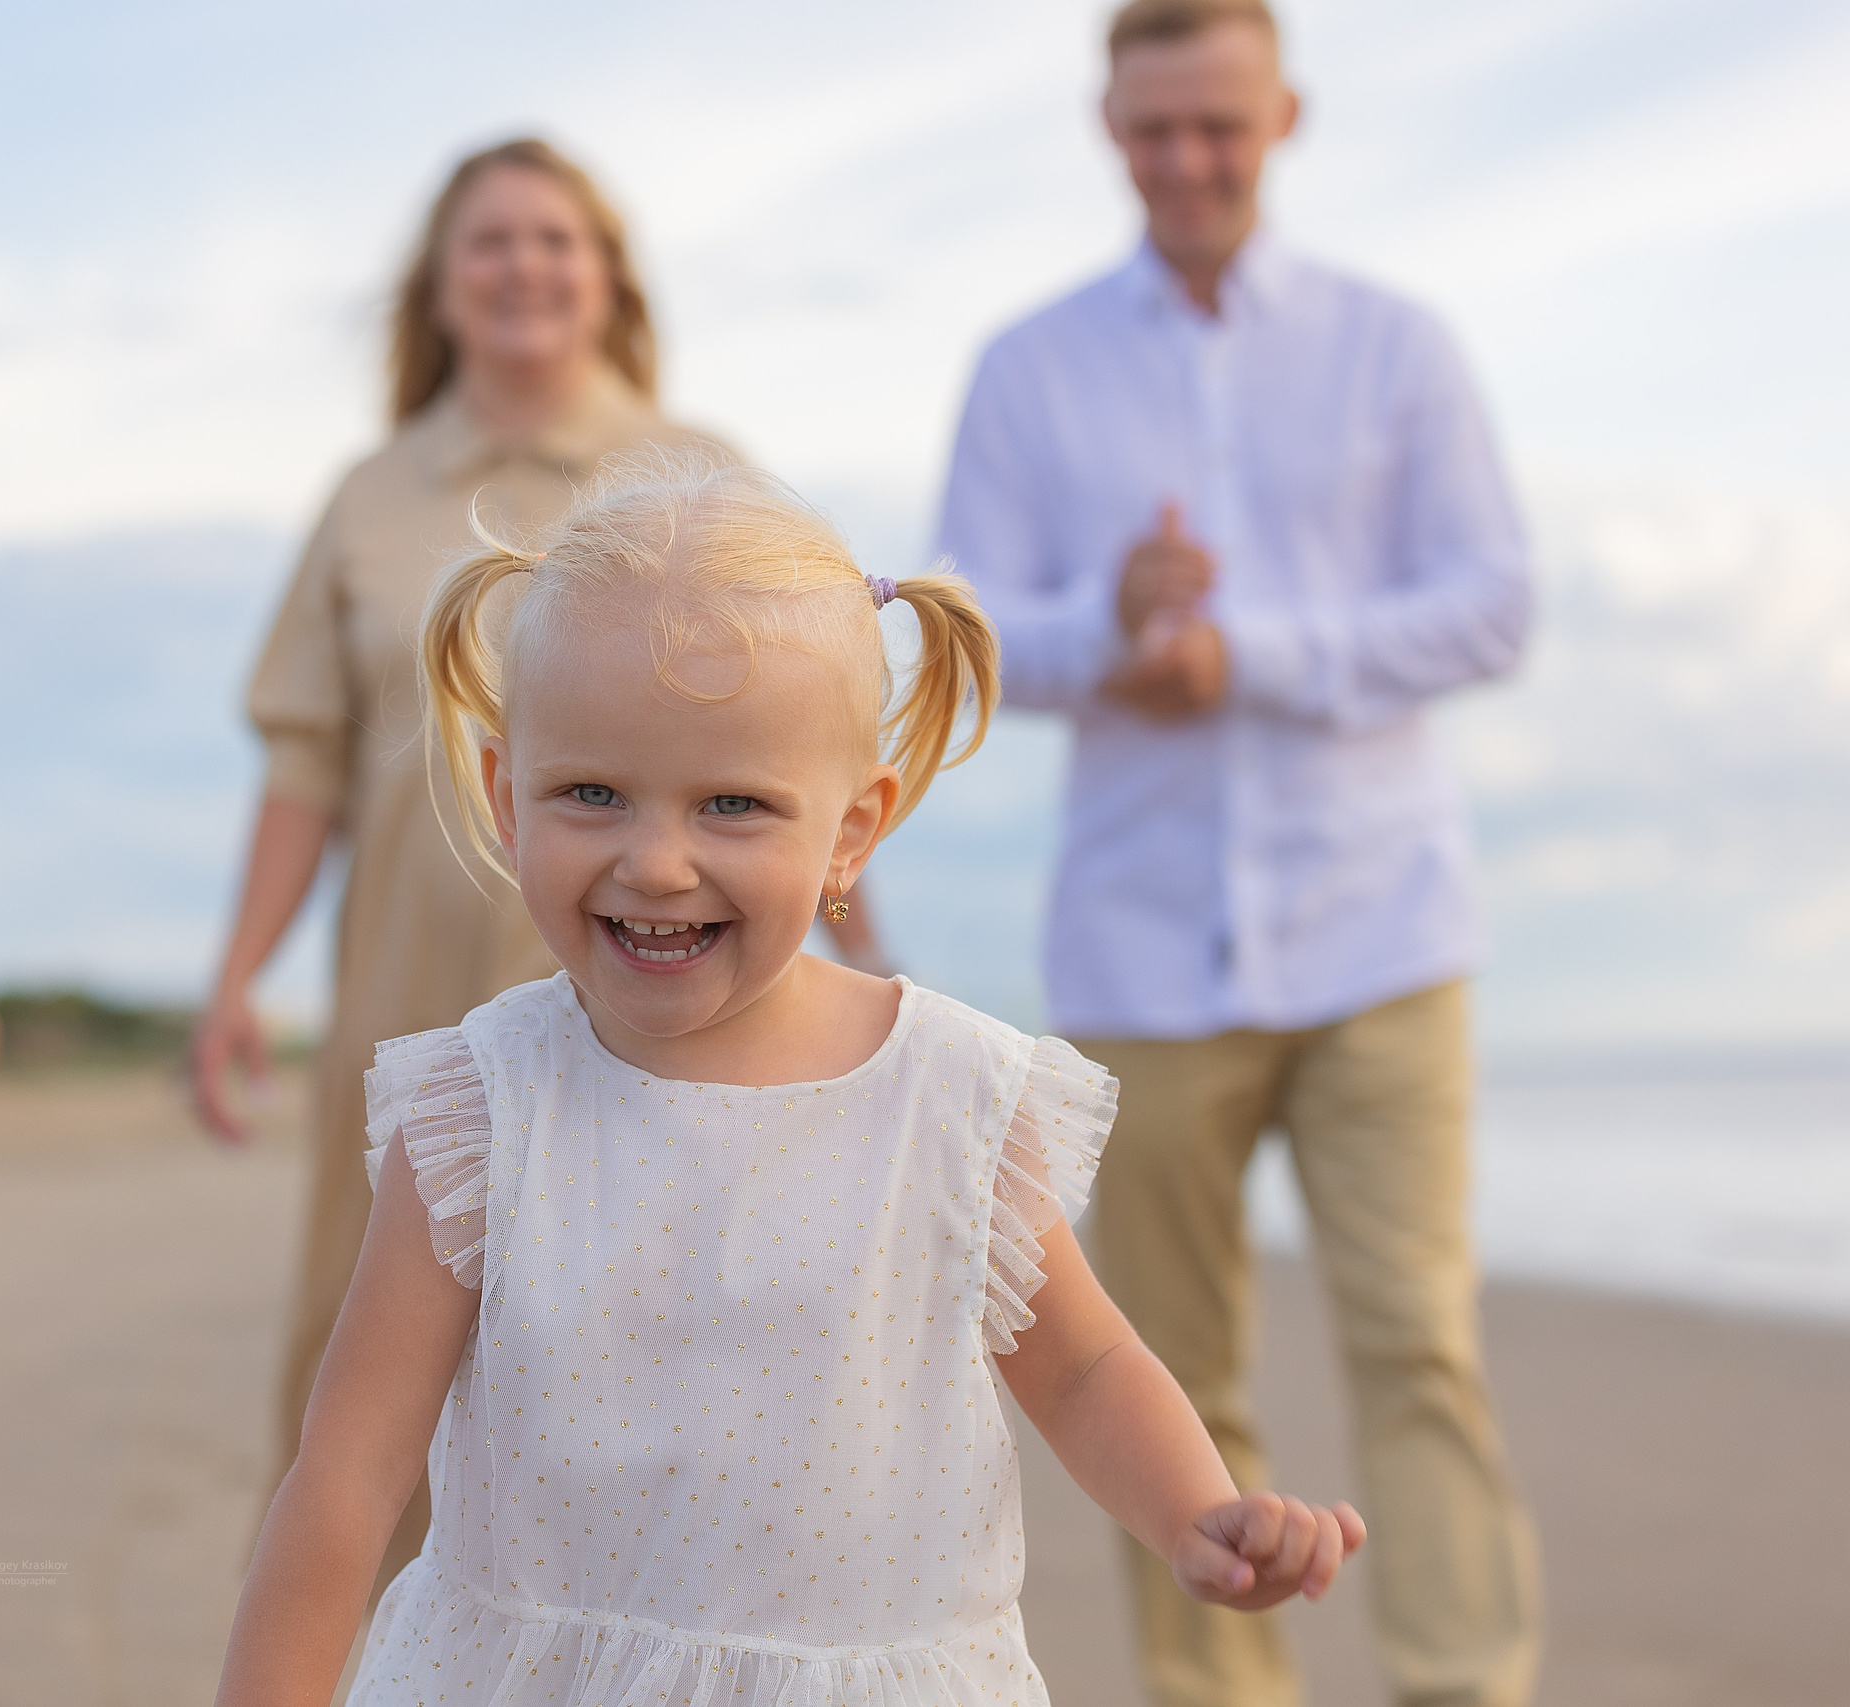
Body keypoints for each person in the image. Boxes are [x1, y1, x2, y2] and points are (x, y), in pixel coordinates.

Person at [210, 453, 1364, 1704]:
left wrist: (1196, 1511)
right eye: (590, 793)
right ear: (503, 792)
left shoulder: (951, 1098)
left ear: (850, 830)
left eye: (733, 806)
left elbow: (1083, 1369)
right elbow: (347, 1475)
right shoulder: (484, 1106)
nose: (656, 863)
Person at [934, 4, 1540, 1704]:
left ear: (1288, 113)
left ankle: (1468, 1685)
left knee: (1420, 1344)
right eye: (1154, 130)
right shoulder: (1027, 366)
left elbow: (1491, 605)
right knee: (1174, 1373)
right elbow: (961, 629)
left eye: (1220, 124)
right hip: (1142, 953)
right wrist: (1105, 626)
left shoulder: (1396, 347)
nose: (1189, 160)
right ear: (1106, 126)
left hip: (1384, 933)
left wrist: (1246, 652)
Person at [189, 138, 745, 1578]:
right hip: (408, 1017)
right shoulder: (368, 497)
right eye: (490, 241)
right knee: (360, 1396)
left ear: (606, 274)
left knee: (646, 1392)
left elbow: (786, 756)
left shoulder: (706, 481)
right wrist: (236, 975)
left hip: (662, 1027)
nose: (524, 267)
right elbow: (304, 761)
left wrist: (866, 961)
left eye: (556, 239)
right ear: (438, 285)